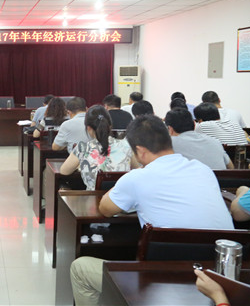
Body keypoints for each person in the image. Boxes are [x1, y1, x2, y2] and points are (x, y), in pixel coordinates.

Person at [70, 115, 234, 306]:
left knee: (80, 269)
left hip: (159, 282)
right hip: (217, 280)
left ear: (140, 151)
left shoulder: (137, 178)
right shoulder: (203, 169)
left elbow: (105, 209)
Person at [60, 105, 137, 190]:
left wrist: (80, 165)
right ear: (110, 126)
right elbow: (137, 169)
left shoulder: (83, 148)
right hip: (121, 196)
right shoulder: (126, 145)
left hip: (93, 197)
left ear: (88, 128)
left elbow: (64, 171)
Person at [165, 107, 233, 170]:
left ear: (170, 129)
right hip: (218, 179)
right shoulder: (215, 141)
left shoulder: (168, 145)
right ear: (194, 124)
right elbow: (231, 167)